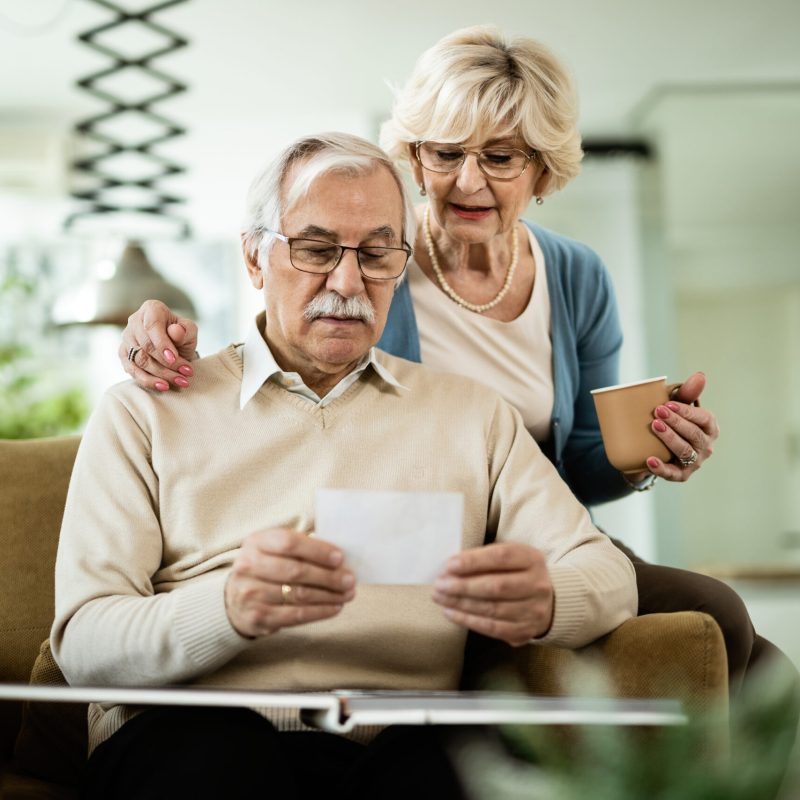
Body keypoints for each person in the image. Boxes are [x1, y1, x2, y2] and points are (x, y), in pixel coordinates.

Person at [118, 26, 798, 705]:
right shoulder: (374, 257)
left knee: (742, 640)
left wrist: (645, 454)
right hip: (417, 541)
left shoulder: (576, 276)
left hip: (533, 535)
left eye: (500, 157)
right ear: (414, 157)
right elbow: (287, 352)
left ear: (542, 167)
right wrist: (157, 328)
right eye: (445, 153)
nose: (467, 181)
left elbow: (582, 465)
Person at [52, 132, 637, 799]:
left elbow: (610, 577)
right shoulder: (145, 413)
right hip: (194, 731)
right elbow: (85, 641)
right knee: (220, 761)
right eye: (317, 248)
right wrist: (227, 608)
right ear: (253, 257)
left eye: (377, 253)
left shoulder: (473, 415)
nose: (348, 281)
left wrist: (548, 599)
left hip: (401, 742)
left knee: (464, 765)